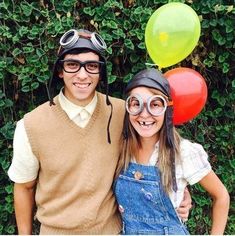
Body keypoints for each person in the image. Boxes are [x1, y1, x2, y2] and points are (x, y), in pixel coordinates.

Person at [8, 29, 192, 234]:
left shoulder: (126, 113)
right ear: (60, 71)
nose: (82, 74)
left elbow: (159, 150)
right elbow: (24, 187)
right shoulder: (31, 125)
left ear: (101, 72)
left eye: (92, 66)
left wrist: (181, 190)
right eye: (72, 64)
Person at [114, 68, 230, 235]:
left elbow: (221, 196)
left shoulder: (182, 152)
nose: (144, 114)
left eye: (154, 104)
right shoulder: (122, 148)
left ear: (166, 109)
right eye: (136, 103)